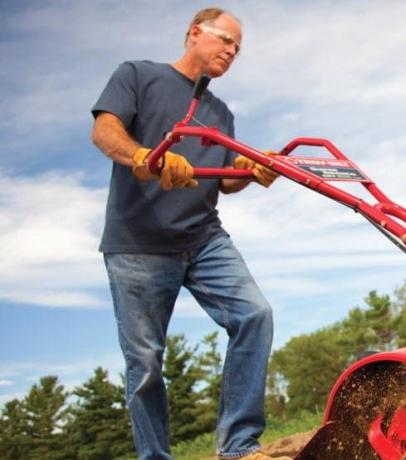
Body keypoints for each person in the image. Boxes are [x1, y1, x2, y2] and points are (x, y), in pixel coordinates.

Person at [91, 8, 279, 460]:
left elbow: (225, 181)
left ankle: (238, 446)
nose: (231, 51)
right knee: (145, 362)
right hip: (139, 243)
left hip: (204, 237)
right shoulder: (138, 75)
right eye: (225, 40)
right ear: (195, 33)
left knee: (254, 315)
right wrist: (145, 156)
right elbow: (104, 131)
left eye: (238, 48)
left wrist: (251, 170)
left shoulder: (220, 112)